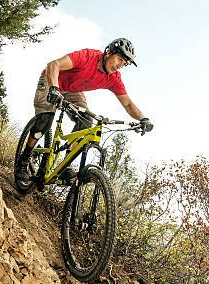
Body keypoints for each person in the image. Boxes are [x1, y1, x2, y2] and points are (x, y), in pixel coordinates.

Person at [16, 38, 153, 182]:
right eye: (119, 59)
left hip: (73, 90)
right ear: (109, 52)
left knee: (86, 120)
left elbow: (128, 105)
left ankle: (65, 165)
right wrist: (54, 89)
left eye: (124, 64)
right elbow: (53, 64)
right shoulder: (88, 57)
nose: (120, 65)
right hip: (52, 80)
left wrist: (143, 119)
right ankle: (24, 159)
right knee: (45, 121)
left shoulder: (114, 78)